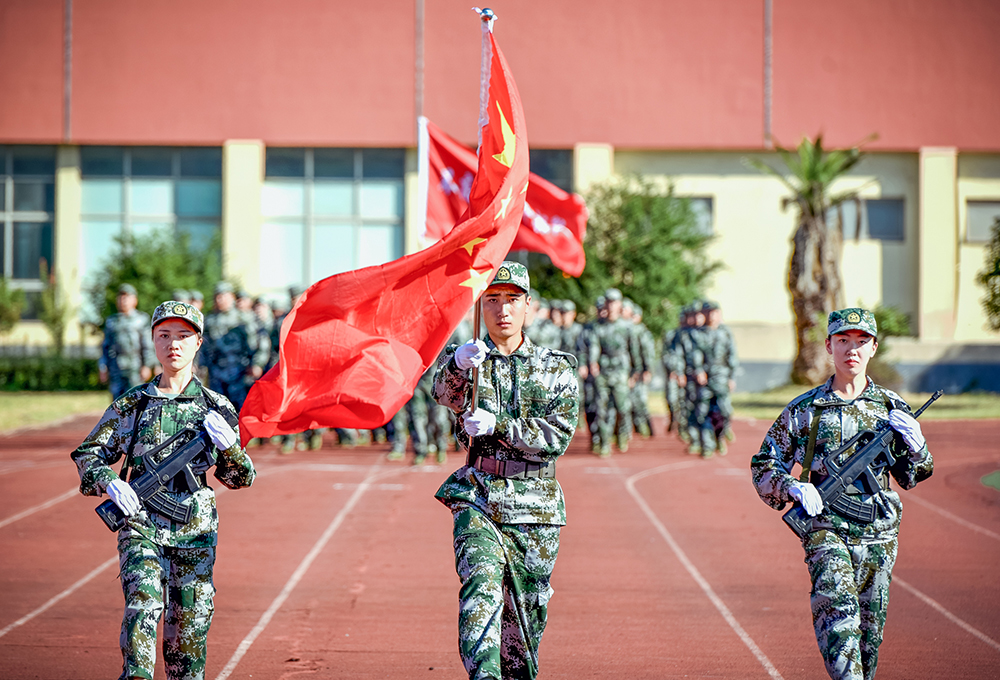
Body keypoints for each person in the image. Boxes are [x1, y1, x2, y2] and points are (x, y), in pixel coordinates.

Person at [71, 300, 256, 680]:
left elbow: (241, 478)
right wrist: (109, 482)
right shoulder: (134, 404)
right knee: (143, 607)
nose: (173, 344)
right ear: (153, 342)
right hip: (140, 526)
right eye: (164, 335)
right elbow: (88, 455)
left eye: (183, 336)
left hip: (195, 532)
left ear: (199, 343)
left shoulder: (216, 408)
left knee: (187, 637)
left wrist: (230, 449)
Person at [750, 308, 933, 680]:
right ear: (829, 346)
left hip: (879, 533)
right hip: (825, 529)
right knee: (838, 619)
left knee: (868, 636)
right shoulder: (806, 410)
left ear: (874, 348)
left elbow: (913, 475)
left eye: (862, 342)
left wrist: (918, 446)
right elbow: (763, 466)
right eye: (844, 341)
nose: (852, 349)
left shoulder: (891, 408)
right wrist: (793, 487)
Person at [433, 261, 579, 680]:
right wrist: (459, 364)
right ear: (481, 305)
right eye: (492, 300)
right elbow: (443, 393)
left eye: (512, 300)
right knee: (480, 592)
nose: (502, 310)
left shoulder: (556, 367)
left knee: (525, 623)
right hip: (478, 496)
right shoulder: (472, 359)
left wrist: (501, 426)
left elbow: (558, 436)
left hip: (535, 507)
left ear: (528, 307)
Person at [201, 282, 267, 411]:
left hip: (240, 371)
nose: (220, 299)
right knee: (217, 409)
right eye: (217, 296)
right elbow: (203, 346)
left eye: (223, 296)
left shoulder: (244, 318)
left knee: (240, 409)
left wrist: (257, 363)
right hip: (217, 372)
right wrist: (201, 365)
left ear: (232, 297)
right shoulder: (210, 320)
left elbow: (260, 342)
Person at [100, 284, 156, 400]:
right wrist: (103, 366)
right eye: (120, 297)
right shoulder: (112, 321)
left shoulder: (141, 320)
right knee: (116, 404)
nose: (123, 300)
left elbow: (147, 345)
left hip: (135, 367)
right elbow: (105, 346)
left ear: (135, 300)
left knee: (135, 402)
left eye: (127, 297)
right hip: (116, 368)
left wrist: (147, 365)